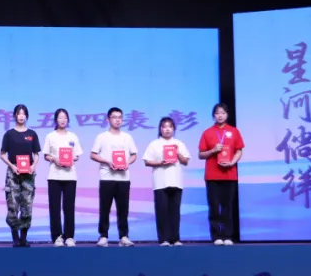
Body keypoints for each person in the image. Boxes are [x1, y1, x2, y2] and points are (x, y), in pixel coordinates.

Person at [90, 107, 139, 247]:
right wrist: (107, 161)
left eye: (120, 117)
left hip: (123, 178)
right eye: (114, 117)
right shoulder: (102, 137)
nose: (118, 120)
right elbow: (93, 154)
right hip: (107, 177)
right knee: (104, 208)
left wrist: (127, 163)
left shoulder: (127, 137)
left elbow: (134, 155)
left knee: (123, 209)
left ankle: (123, 236)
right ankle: (103, 236)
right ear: (108, 119)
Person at [198, 103, 245, 245]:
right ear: (213, 115)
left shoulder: (234, 131)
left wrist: (232, 162)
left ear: (227, 115)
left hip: (229, 174)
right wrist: (213, 150)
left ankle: (228, 236)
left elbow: (239, 150)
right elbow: (201, 154)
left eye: (223, 113)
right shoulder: (207, 132)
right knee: (213, 206)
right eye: (217, 113)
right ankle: (216, 236)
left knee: (227, 206)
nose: (220, 115)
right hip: (212, 175)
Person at [143, 116, 191, 246]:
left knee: (175, 211)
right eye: (164, 127)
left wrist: (177, 152)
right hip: (160, 182)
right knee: (162, 211)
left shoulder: (179, 143)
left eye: (170, 126)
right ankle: (163, 239)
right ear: (160, 129)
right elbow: (147, 161)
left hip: (176, 181)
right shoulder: (154, 144)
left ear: (174, 129)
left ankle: (175, 238)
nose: (167, 129)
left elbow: (185, 161)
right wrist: (161, 162)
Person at [0, 104, 41, 248]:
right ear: (15, 116)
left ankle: (24, 237)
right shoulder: (9, 134)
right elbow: (2, 154)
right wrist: (12, 166)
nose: (21, 116)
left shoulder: (32, 134)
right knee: (12, 205)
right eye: (19, 113)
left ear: (27, 116)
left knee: (27, 205)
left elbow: (36, 154)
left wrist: (33, 166)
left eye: (24, 114)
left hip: (28, 174)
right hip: (13, 172)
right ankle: (15, 237)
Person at [42, 108, 81, 247]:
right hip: (54, 176)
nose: (62, 120)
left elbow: (77, 155)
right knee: (55, 207)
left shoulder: (73, 136)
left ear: (68, 120)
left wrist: (71, 159)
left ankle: (69, 236)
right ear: (55, 120)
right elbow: (46, 155)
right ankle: (57, 236)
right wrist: (54, 159)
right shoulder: (50, 136)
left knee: (69, 207)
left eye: (65, 118)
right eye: (60, 118)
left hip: (70, 176)